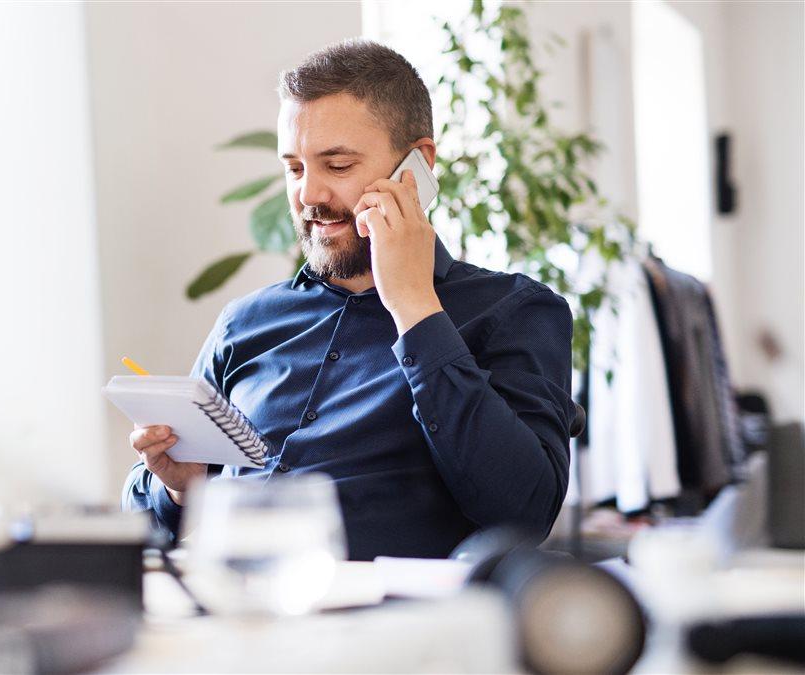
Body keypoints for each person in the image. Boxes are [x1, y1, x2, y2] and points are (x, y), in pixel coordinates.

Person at [123, 39, 574, 561]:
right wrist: (179, 488)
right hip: (228, 612)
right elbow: (138, 533)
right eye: (294, 168)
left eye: (336, 166)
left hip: (385, 627)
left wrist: (414, 307)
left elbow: (524, 512)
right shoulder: (243, 323)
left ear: (417, 166)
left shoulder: (514, 311)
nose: (308, 196)